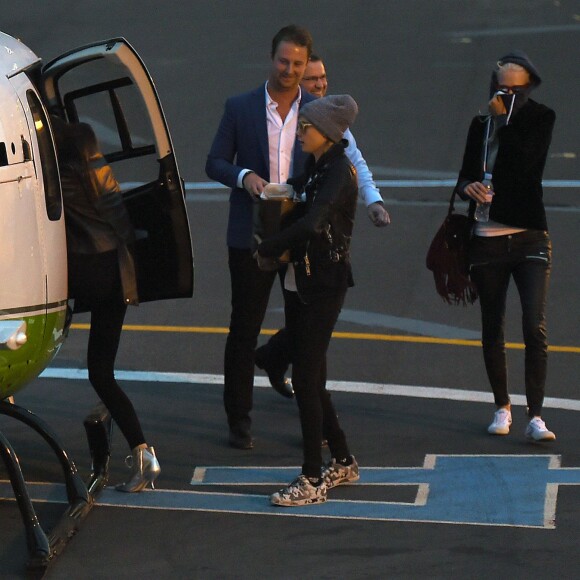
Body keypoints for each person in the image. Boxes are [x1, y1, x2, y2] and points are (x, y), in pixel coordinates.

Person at [205, 25, 316, 449]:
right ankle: (239, 419)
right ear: (272, 59)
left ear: (307, 65)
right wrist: (244, 176)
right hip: (251, 233)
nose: (289, 70)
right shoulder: (241, 107)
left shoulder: (317, 109)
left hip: (298, 231)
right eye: (283, 61)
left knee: (305, 327)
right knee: (244, 326)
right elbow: (214, 162)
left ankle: (313, 416)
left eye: (298, 64)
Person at [254, 53, 390, 398]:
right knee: (304, 325)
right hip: (285, 233)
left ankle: (303, 389)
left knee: (313, 333)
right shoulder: (286, 121)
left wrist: (373, 201)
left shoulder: (330, 125)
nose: (321, 84)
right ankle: (289, 374)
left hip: (316, 244)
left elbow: (355, 162)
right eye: (312, 80)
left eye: (322, 77)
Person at [257, 95, 360, 506]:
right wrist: (278, 190)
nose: (300, 132)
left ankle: (312, 479)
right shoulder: (318, 166)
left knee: (306, 378)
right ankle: (343, 459)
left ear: (328, 134)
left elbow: (316, 221)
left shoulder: (338, 172)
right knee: (312, 377)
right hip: (304, 281)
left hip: (323, 286)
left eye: (306, 128)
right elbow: (301, 193)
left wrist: (269, 246)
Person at [454, 51, 556, 441]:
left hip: (529, 234)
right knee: (492, 325)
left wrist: (504, 120)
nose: (506, 96)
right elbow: (463, 175)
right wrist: (469, 187)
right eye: (500, 89)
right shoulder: (479, 126)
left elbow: (526, 167)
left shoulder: (539, 119)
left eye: (515, 91)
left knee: (534, 325)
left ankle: (536, 415)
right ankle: (502, 405)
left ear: (527, 90)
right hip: (488, 239)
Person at [54, 118, 161, 491]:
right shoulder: (100, 174)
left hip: (84, 275)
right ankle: (143, 453)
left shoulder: (60, 182)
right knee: (101, 371)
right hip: (117, 276)